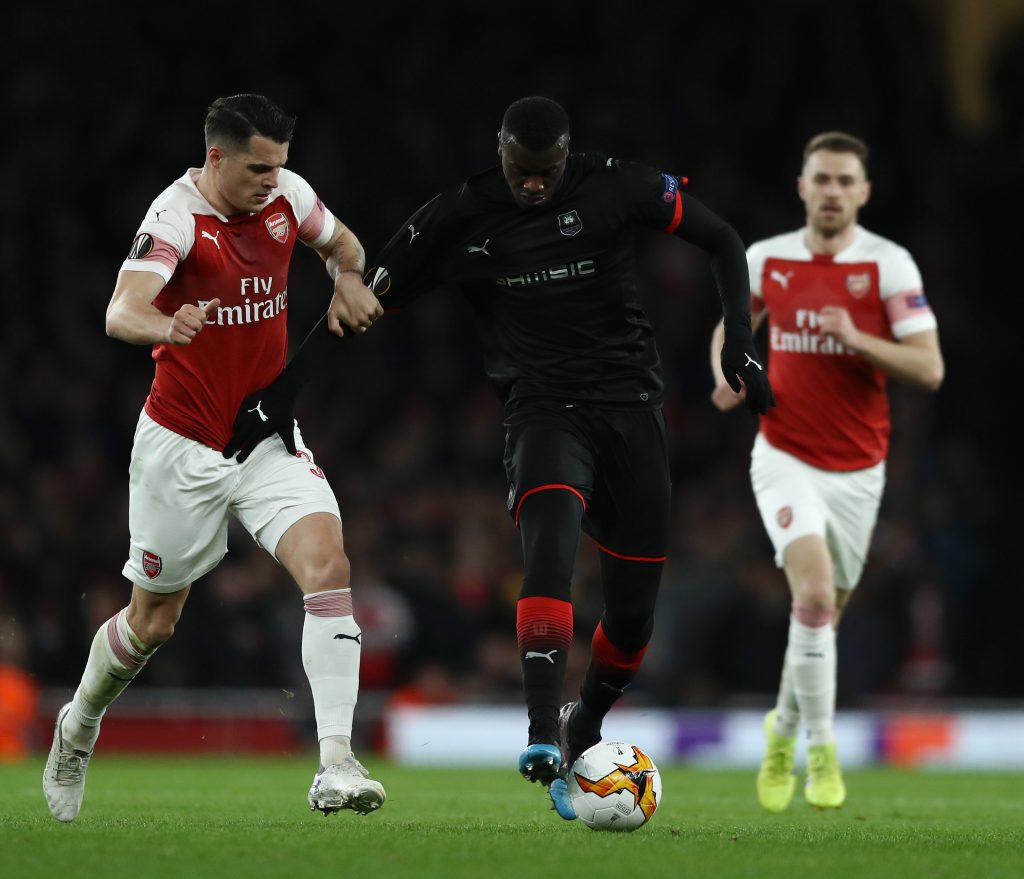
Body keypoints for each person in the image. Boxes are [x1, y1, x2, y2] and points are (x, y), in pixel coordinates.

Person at [227, 96, 774, 819]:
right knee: (548, 552)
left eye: (547, 172)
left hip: (632, 413)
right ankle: (543, 728)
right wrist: (282, 393)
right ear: (502, 153)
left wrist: (739, 340)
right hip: (543, 411)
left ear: (568, 156)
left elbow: (724, 240)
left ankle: (586, 723)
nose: (534, 186)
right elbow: (358, 298)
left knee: (635, 616)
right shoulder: (464, 212)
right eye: (521, 170)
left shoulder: (617, 186)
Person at [42, 94, 386, 823]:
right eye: (258, 167)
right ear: (217, 157)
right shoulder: (174, 218)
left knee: (328, 563)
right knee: (153, 625)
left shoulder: (288, 196)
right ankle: (77, 725)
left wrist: (348, 278)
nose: (273, 180)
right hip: (182, 447)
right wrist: (170, 320)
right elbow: (120, 310)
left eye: (280, 166)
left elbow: (345, 246)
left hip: (265, 437)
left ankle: (335, 761)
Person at [709, 132, 944, 811]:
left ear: (864, 192)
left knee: (819, 620)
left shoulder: (887, 266)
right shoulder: (767, 258)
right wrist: (729, 369)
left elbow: (929, 367)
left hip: (860, 469)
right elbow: (731, 324)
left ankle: (779, 729)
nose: (834, 191)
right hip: (783, 455)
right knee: (812, 596)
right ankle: (820, 750)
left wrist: (858, 339)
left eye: (846, 181)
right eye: (823, 179)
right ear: (802, 185)